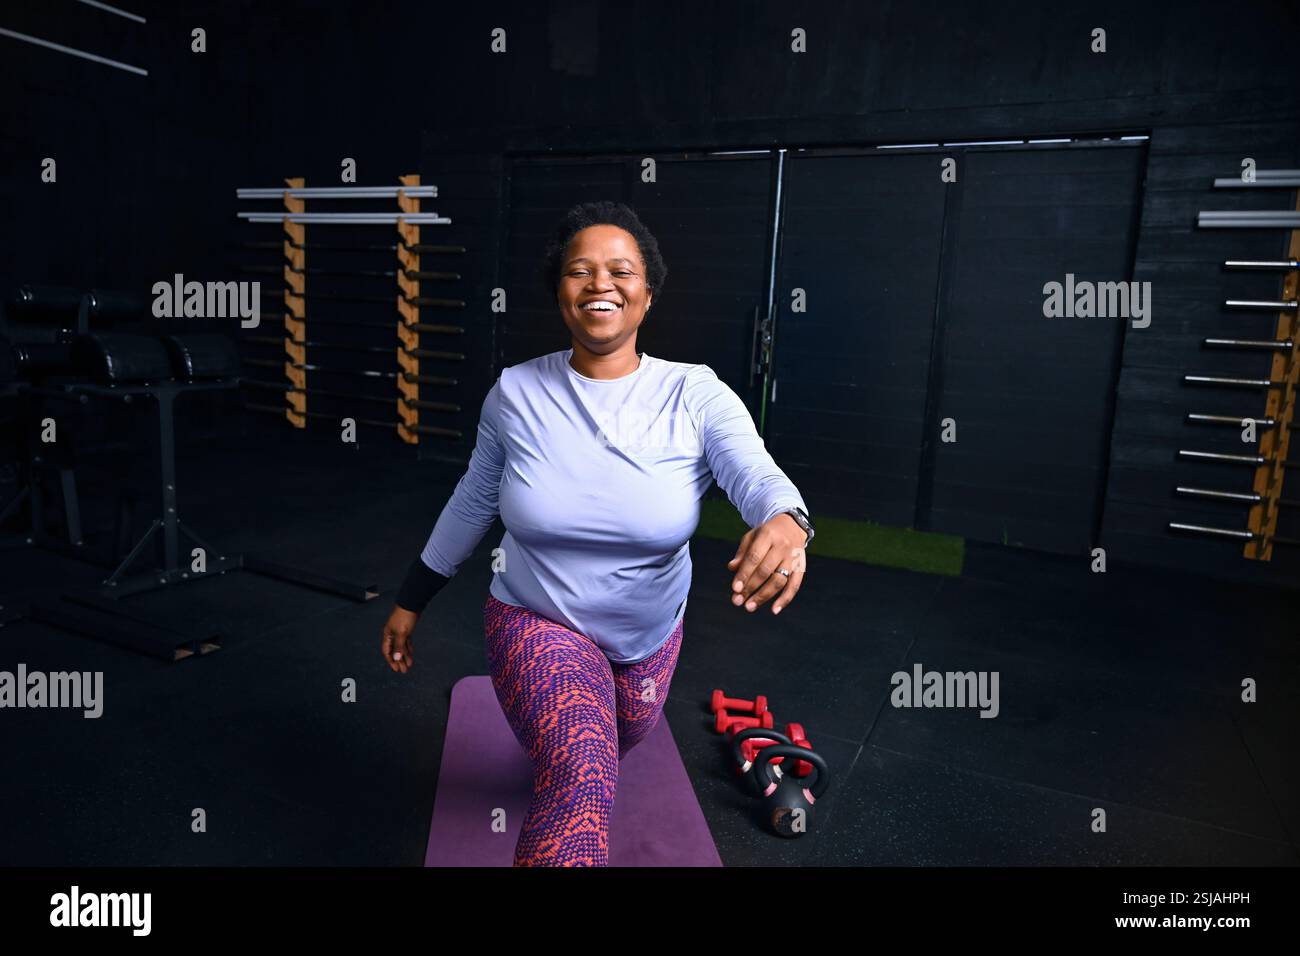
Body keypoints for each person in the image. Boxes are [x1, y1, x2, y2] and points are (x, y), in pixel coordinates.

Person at [381, 200, 813, 866]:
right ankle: (567, 760)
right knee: (581, 771)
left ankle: (577, 746)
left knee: (618, 738)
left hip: (647, 634)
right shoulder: (515, 393)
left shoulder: (695, 395)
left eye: (621, 270)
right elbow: (473, 500)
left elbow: (754, 473)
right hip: (536, 619)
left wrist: (787, 518)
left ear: (646, 294)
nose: (600, 283)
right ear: (560, 294)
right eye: (580, 271)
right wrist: (411, 600)